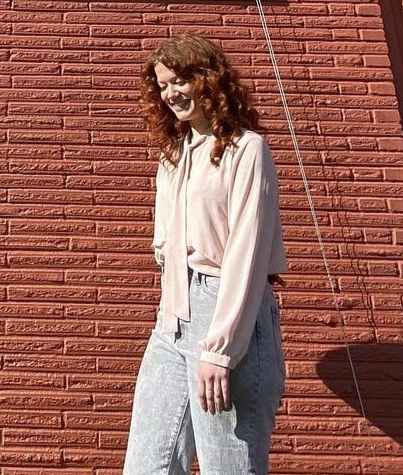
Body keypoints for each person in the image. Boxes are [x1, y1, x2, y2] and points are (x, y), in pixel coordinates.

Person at [123, 33, 287, 475]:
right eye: (162, 84)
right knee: (146, 466)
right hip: (172, 319)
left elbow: (247, 253)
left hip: (229, 311)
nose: (171, 92)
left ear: (209, 79)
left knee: (228, 467)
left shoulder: (246, 149)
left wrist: (220, 349)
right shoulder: (172, 156)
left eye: (180, 79)